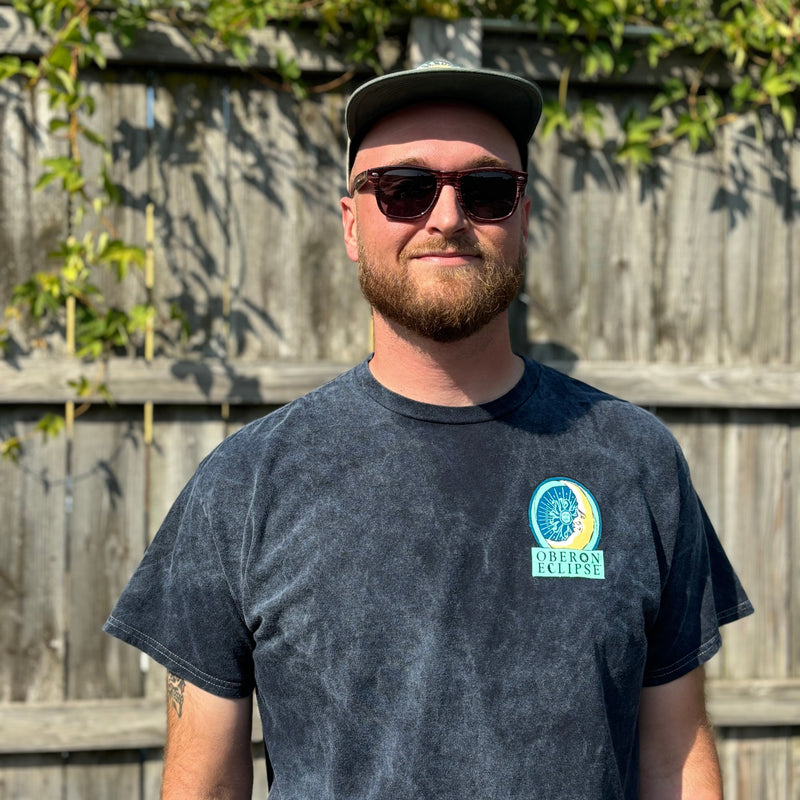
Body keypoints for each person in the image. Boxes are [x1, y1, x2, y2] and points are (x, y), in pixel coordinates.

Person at [105, 60, 753, 800]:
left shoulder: (637, 463)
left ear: (525, 218)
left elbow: (676, 756)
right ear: (352, 224)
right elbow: (203, 787)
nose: (447, 217)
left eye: (486, 190)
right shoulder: (246, 483)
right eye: (404, 190)